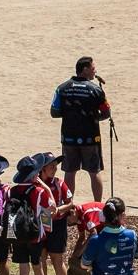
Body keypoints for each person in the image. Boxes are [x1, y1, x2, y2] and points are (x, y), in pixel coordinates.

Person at [52, 56, 111, 200]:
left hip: (69, 137)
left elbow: (54, 112)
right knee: (94, 171)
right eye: (92, 68)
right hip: (90, 138)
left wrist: (70, 114)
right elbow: (106, 113)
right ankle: (97, 205)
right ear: (84, 69)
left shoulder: (62, 88)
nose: (95, 71)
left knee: (70, 172)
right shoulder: (96, 90)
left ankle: (68, 205)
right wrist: (92, 118)